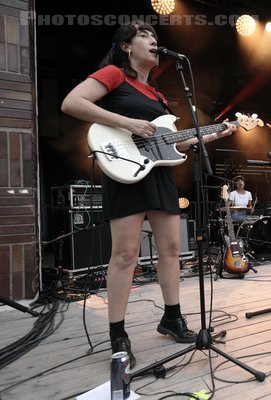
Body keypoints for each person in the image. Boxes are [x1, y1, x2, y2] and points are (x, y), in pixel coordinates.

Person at [60, 22, 236, 368]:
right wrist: (128, 123)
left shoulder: (157, 95)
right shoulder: (113, 75)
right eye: (145, 36)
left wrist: (217, 133)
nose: (154, 42)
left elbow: (173, 141)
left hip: (159, 175)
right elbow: (72, 103)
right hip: (125, 170)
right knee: (125, 255)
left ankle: (172, 318)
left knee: (171, 250)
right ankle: (117, 332)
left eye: (156, 38)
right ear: (126, 46)